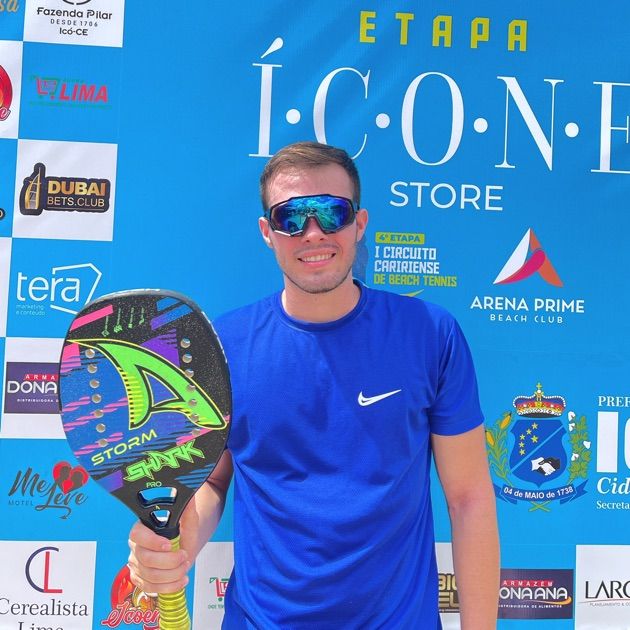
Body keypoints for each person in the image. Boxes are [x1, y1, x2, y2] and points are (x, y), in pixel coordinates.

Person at [128, 142, 499, 628]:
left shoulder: (430, 334)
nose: (313, 232)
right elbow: (213, 480)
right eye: (290, 217)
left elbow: (469, 500)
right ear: (267, 232)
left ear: (359, 223)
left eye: (331, 212)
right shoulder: (223, 345)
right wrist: (174, 546)